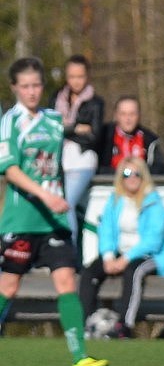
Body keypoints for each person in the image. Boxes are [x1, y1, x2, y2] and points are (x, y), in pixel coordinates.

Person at [0, 57, 109, 366]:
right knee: (8, 287)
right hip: (22, 220)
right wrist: (46, 195)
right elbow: (9, 170)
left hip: (53, 222)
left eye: (36, 85)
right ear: (14, 88)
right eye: (25, 86)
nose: (32, 92)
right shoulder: (11, 122)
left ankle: (80, 358)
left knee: (66, 282)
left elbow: (65, 154)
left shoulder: (53, 119)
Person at [79, 157, 164, 339]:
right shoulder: (115, 201)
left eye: (136, 174)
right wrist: (108, 256)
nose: (132, 178)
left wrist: (126, 258)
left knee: (133, 272)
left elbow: (153, 240)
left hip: (149, 255)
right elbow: (106, 229)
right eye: (127, 173)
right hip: (119, 254)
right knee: (90, 272)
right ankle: (85, 323)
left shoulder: (153, 203)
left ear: (143, 176)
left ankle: (124, 325)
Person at [48, 54, 104, 248]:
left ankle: (68, 250)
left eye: (80, 76)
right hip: (57, 160)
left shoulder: (95, 103)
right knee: (56, 203)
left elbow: (94, 136)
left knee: (67, 203)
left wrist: (64, 128)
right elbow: (49, 128)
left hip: (82, 160)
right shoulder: (56, 98)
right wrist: (76, 128)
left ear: (87, 76)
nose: (76, 81)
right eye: (72, 76)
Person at [98, 95, 164, 175]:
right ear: (116, 115)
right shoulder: (103, 136)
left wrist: (136, 173)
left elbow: (160, 170)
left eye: (132, 114)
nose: (128, 118)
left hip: (140, 181)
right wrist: (122, 174)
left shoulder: (150, 140)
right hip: (110, 182)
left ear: (139, 115)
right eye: (123, 114)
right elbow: (96, 168)